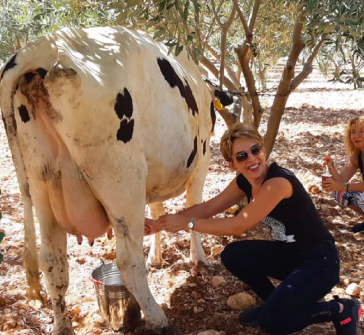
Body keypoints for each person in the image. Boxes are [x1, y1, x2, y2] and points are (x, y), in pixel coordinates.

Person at [152, 123, 361, 335]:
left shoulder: (277, 183)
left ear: (263, 150)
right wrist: (159, 223)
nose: (251, 159)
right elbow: (208, 207)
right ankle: (274, 303)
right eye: (241, 156)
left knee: (273, 323)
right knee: (234, 255)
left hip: (320, 262)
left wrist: (188, 224)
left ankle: (339, 309)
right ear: (231, 164)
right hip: (291, 255)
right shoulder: (246, 181)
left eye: (255, 150)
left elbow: (237, 225)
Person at [322, 116, 364, 233]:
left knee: (359, 196)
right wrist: (331, 167)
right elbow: (341, 181)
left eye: (361, 131)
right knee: (339, 193)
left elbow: (344, 185)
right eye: (353, 132)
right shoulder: (356, 157)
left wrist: (344, 186)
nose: (356, 135)